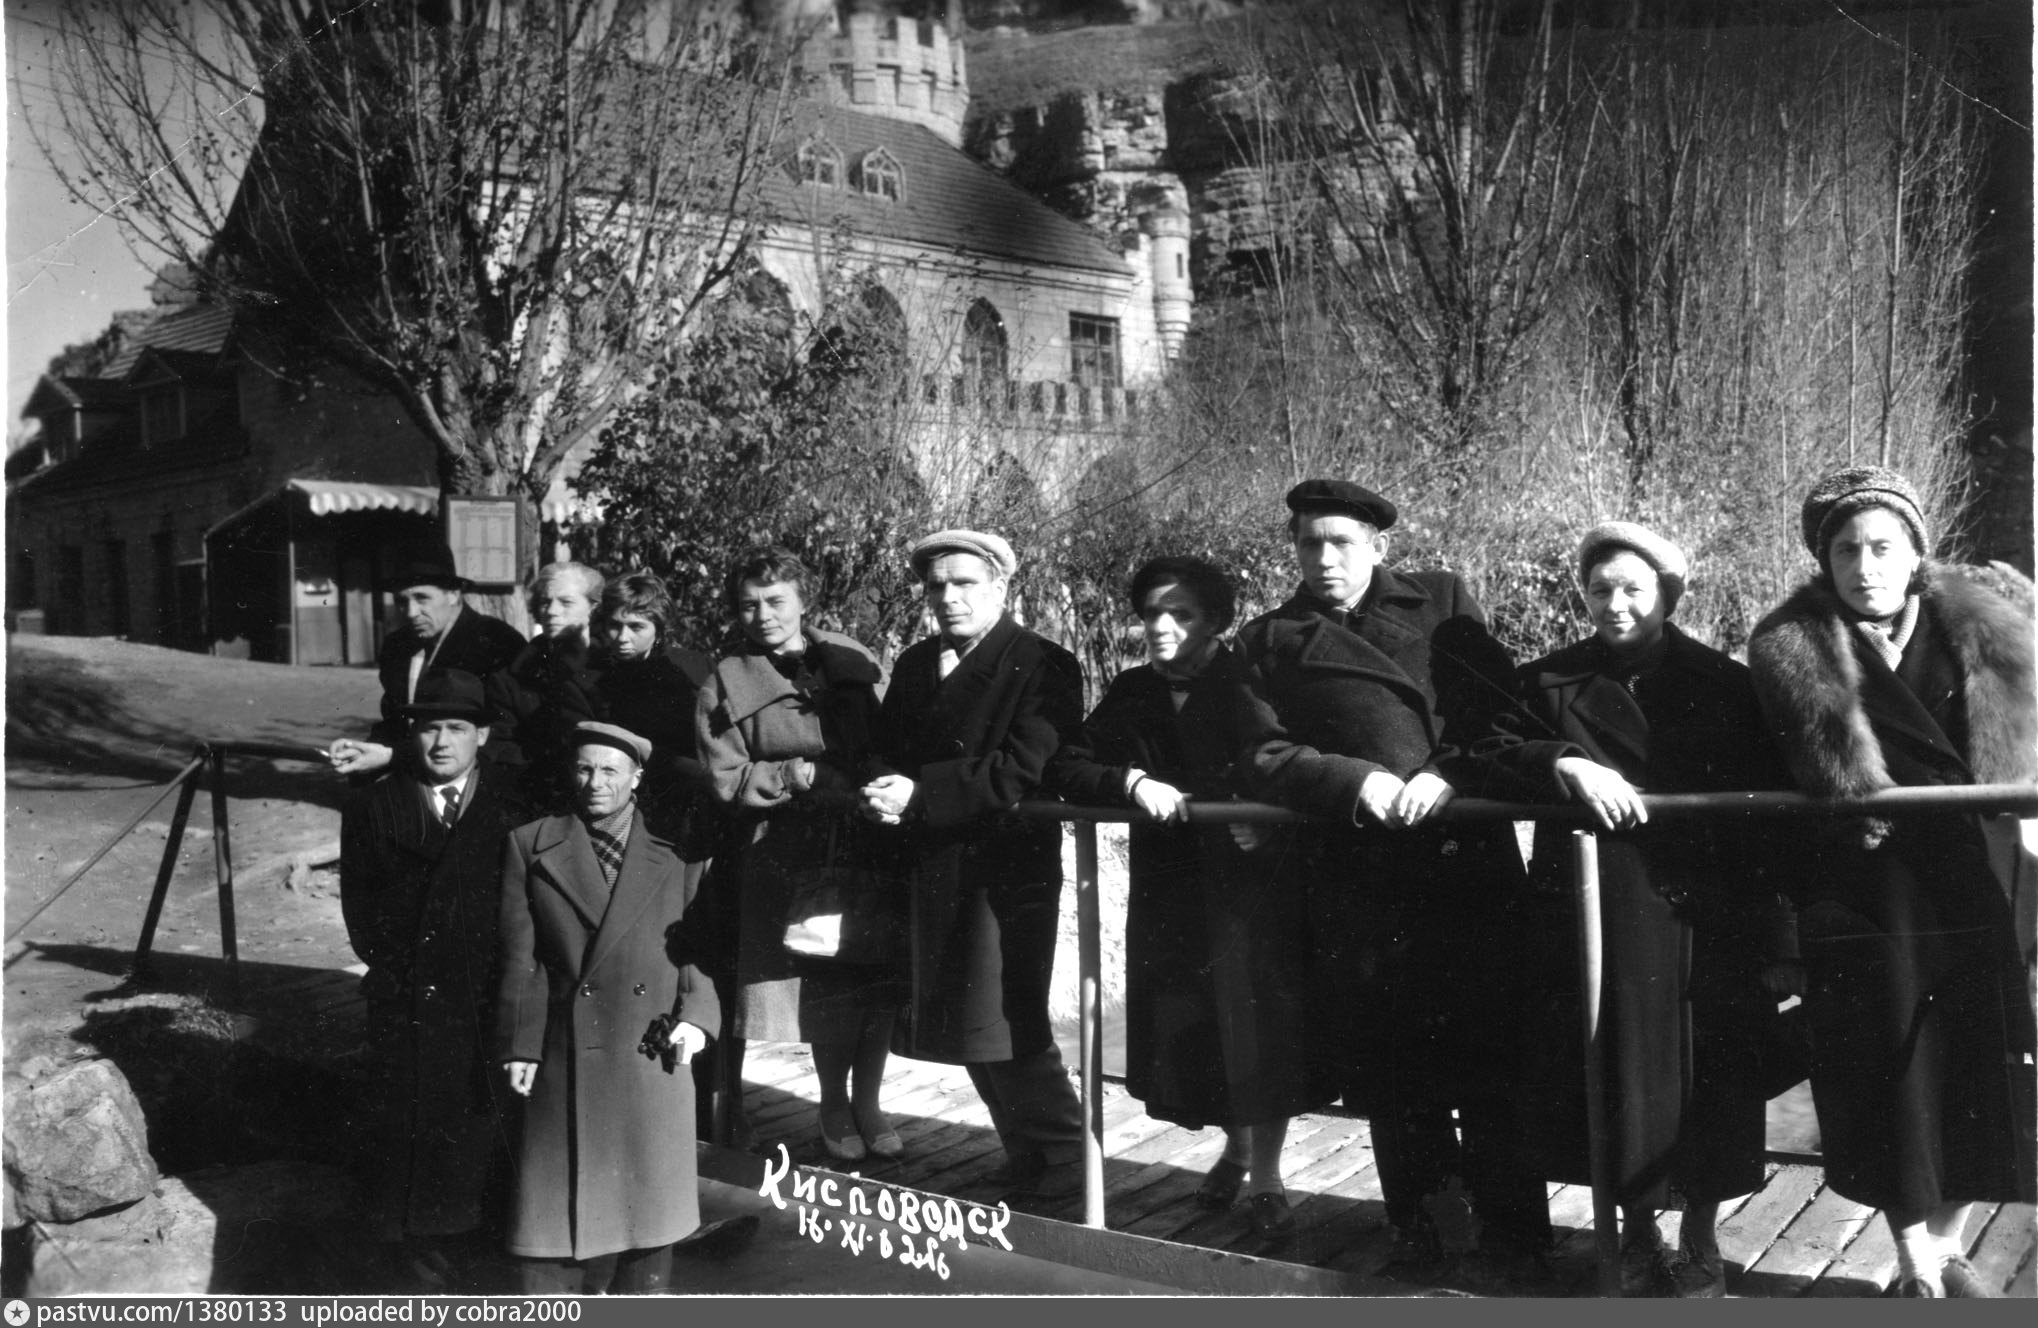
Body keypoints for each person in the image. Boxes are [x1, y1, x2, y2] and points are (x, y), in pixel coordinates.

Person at [1233, 478, 1549, 1275]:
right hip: (1359, 876)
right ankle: (1424, 1227)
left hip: (1463, 863)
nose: (1325, 558)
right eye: (1310, 543)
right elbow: (1258, 751)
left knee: (1491, 1059)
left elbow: (1495, 711)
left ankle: (1516, 1238)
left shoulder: (1441, 601)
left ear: (1378, 546)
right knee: (1394, 1069)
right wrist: (1352, 781)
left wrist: (1449, 774)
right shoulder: (1268, 637)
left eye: (1342, 542)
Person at [1747, 465, 2036, 1298]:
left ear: (1915, 553)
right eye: (1846, 550)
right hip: (1863, 893)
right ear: (1825, 561)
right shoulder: (1790, 648)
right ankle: (1916, 1261)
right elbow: (1765, 810)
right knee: (1885, 1077)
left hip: (1974, 886)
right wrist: (1784, 933)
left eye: (1882, 546)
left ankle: (1943, 1252)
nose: (1865, 566)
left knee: (1983, 1071)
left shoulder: (1988, 632)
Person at [1502, 523, 1798, 1296]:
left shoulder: (1727, 683)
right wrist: (1563, 763)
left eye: (1634, 589)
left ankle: (1702, 1233)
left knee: (1714, 1077)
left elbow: (1770, 818)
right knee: (1617, 1078)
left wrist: (1779, 938)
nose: (1616, 604)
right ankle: (1636, 1234)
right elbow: (1485, 751)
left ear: (1669, 594)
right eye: (1600, 589)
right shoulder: (1548, 683)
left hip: (1708, 919)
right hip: (1602, 913)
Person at [1047, 556, 1326, 1239]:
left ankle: (1266, 1177)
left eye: (1182, 614)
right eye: (1152, 613)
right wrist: (1132, 782)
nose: (1161, 627)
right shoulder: (1135, 689)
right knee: (1196, 1027)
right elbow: (1068, 763)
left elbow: (1302, 766)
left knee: (1257, 1026)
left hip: (1251, 885)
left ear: (1216, 621)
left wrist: (1263, 818)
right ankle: (1235, 1148)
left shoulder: (1251, 679)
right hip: (1171, 888)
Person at [860, 528, 1088, 1200]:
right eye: (937, 586)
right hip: (929, 860)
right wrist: (883, 788)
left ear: (1001, 587)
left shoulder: (1043, 663)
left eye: (965, 583)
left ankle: (1065, 1155)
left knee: (1005, 1017)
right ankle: (1027, 1152)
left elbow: (1025, 764)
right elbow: (887, 747)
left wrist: (921, 793)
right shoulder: (915, 664)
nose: (949, 597)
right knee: (962, 1018)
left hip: (1002, 869)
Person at [496, 722, 721, 1294]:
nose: (595, 782)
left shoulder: (678, 850)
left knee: (649, 1220)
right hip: (563, 1050)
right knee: (550, 1225)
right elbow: (522, 958)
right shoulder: (531, 844)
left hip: (649, 1049)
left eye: (610, 771)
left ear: (636, 778)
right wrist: (520, 1044)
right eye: (584, 769)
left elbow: (698, 944)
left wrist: (697, 1013)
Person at [696, 547, 899, 1163]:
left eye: (776, 600)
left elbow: (895, 735)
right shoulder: (725, 680)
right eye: (748, 604)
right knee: (827, 978)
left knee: (875, 976)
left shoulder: (853, 659)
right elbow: (724, 777)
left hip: (870, 837)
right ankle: (834, 1103)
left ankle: (871, 1101)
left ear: (803, 600)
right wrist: (794, 774)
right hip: (790, 848)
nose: (763, 615)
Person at [338, 668, 526, 1289]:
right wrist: (405, 973)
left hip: (488, 993)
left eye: (456, 728)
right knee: (408, 1130)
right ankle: (416, 1254)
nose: (441, 743)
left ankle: (483, 1246)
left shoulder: (513, 801)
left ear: (483, 735)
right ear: (409, 736)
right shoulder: (373, 805)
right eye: (427, 729)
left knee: (482, 1122)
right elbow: (362, 915)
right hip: (410, 995)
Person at [328, 541, 525, 777]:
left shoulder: (496, 641)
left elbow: (504, 733)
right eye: (402, 601)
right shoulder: (397, 646)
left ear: (453, 594)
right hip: (414, 780)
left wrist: (395, 756)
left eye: (422, 598)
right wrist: (365, 750)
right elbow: (395, 721)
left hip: (480, 779)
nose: (411, 612)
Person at [486, 562, 606, 806]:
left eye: (566, 602)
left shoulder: (618, 665)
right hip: (547, 800)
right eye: (544, 602)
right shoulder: (511, 679)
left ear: (594, 608)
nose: (551, 611)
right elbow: (500, 748)